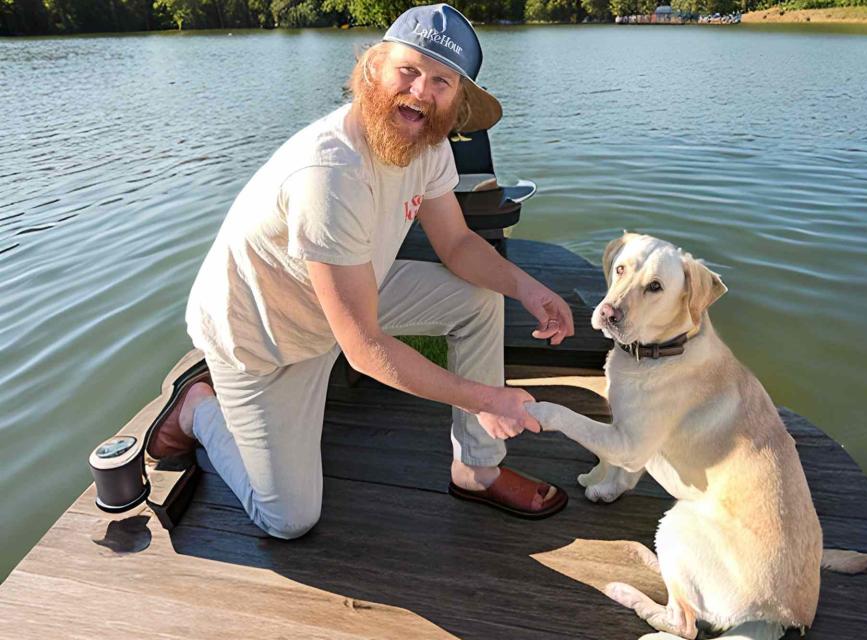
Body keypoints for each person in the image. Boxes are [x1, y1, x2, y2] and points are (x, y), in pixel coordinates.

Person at [149, 3, 574, 540]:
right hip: (263, 336)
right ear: (373, 68)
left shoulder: (429, 145)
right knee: (288, 520)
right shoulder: (330, 172)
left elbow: (459, 243)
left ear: (456, 98)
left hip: (351, 296)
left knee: (478, 298)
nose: (420, 91)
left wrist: (529, 289)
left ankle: (475, 469)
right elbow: (364, 347)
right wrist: (487, 399)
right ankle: (198, 410)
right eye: (409, 70)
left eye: (441, 80)